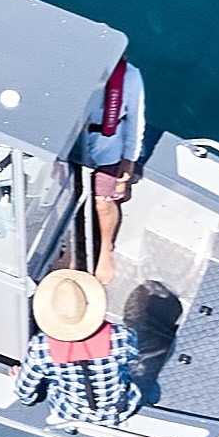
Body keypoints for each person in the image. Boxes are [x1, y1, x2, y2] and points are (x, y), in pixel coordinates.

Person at [13, 269, 141, 428]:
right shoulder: (121, 336)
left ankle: (66, 421)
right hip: (118, 411)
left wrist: (21, 385)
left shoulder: (41, 348)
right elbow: (134, 357)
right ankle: (115, 422)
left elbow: (24, 393)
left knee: (51, 382)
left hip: (69, 412)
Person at [76, 58, 146, 285]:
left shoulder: (131, 77)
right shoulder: (75, 67)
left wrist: (129, 159)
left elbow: (136, 119)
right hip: (74, 144)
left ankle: (106, 248)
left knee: (102, 202)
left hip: (107, 147)